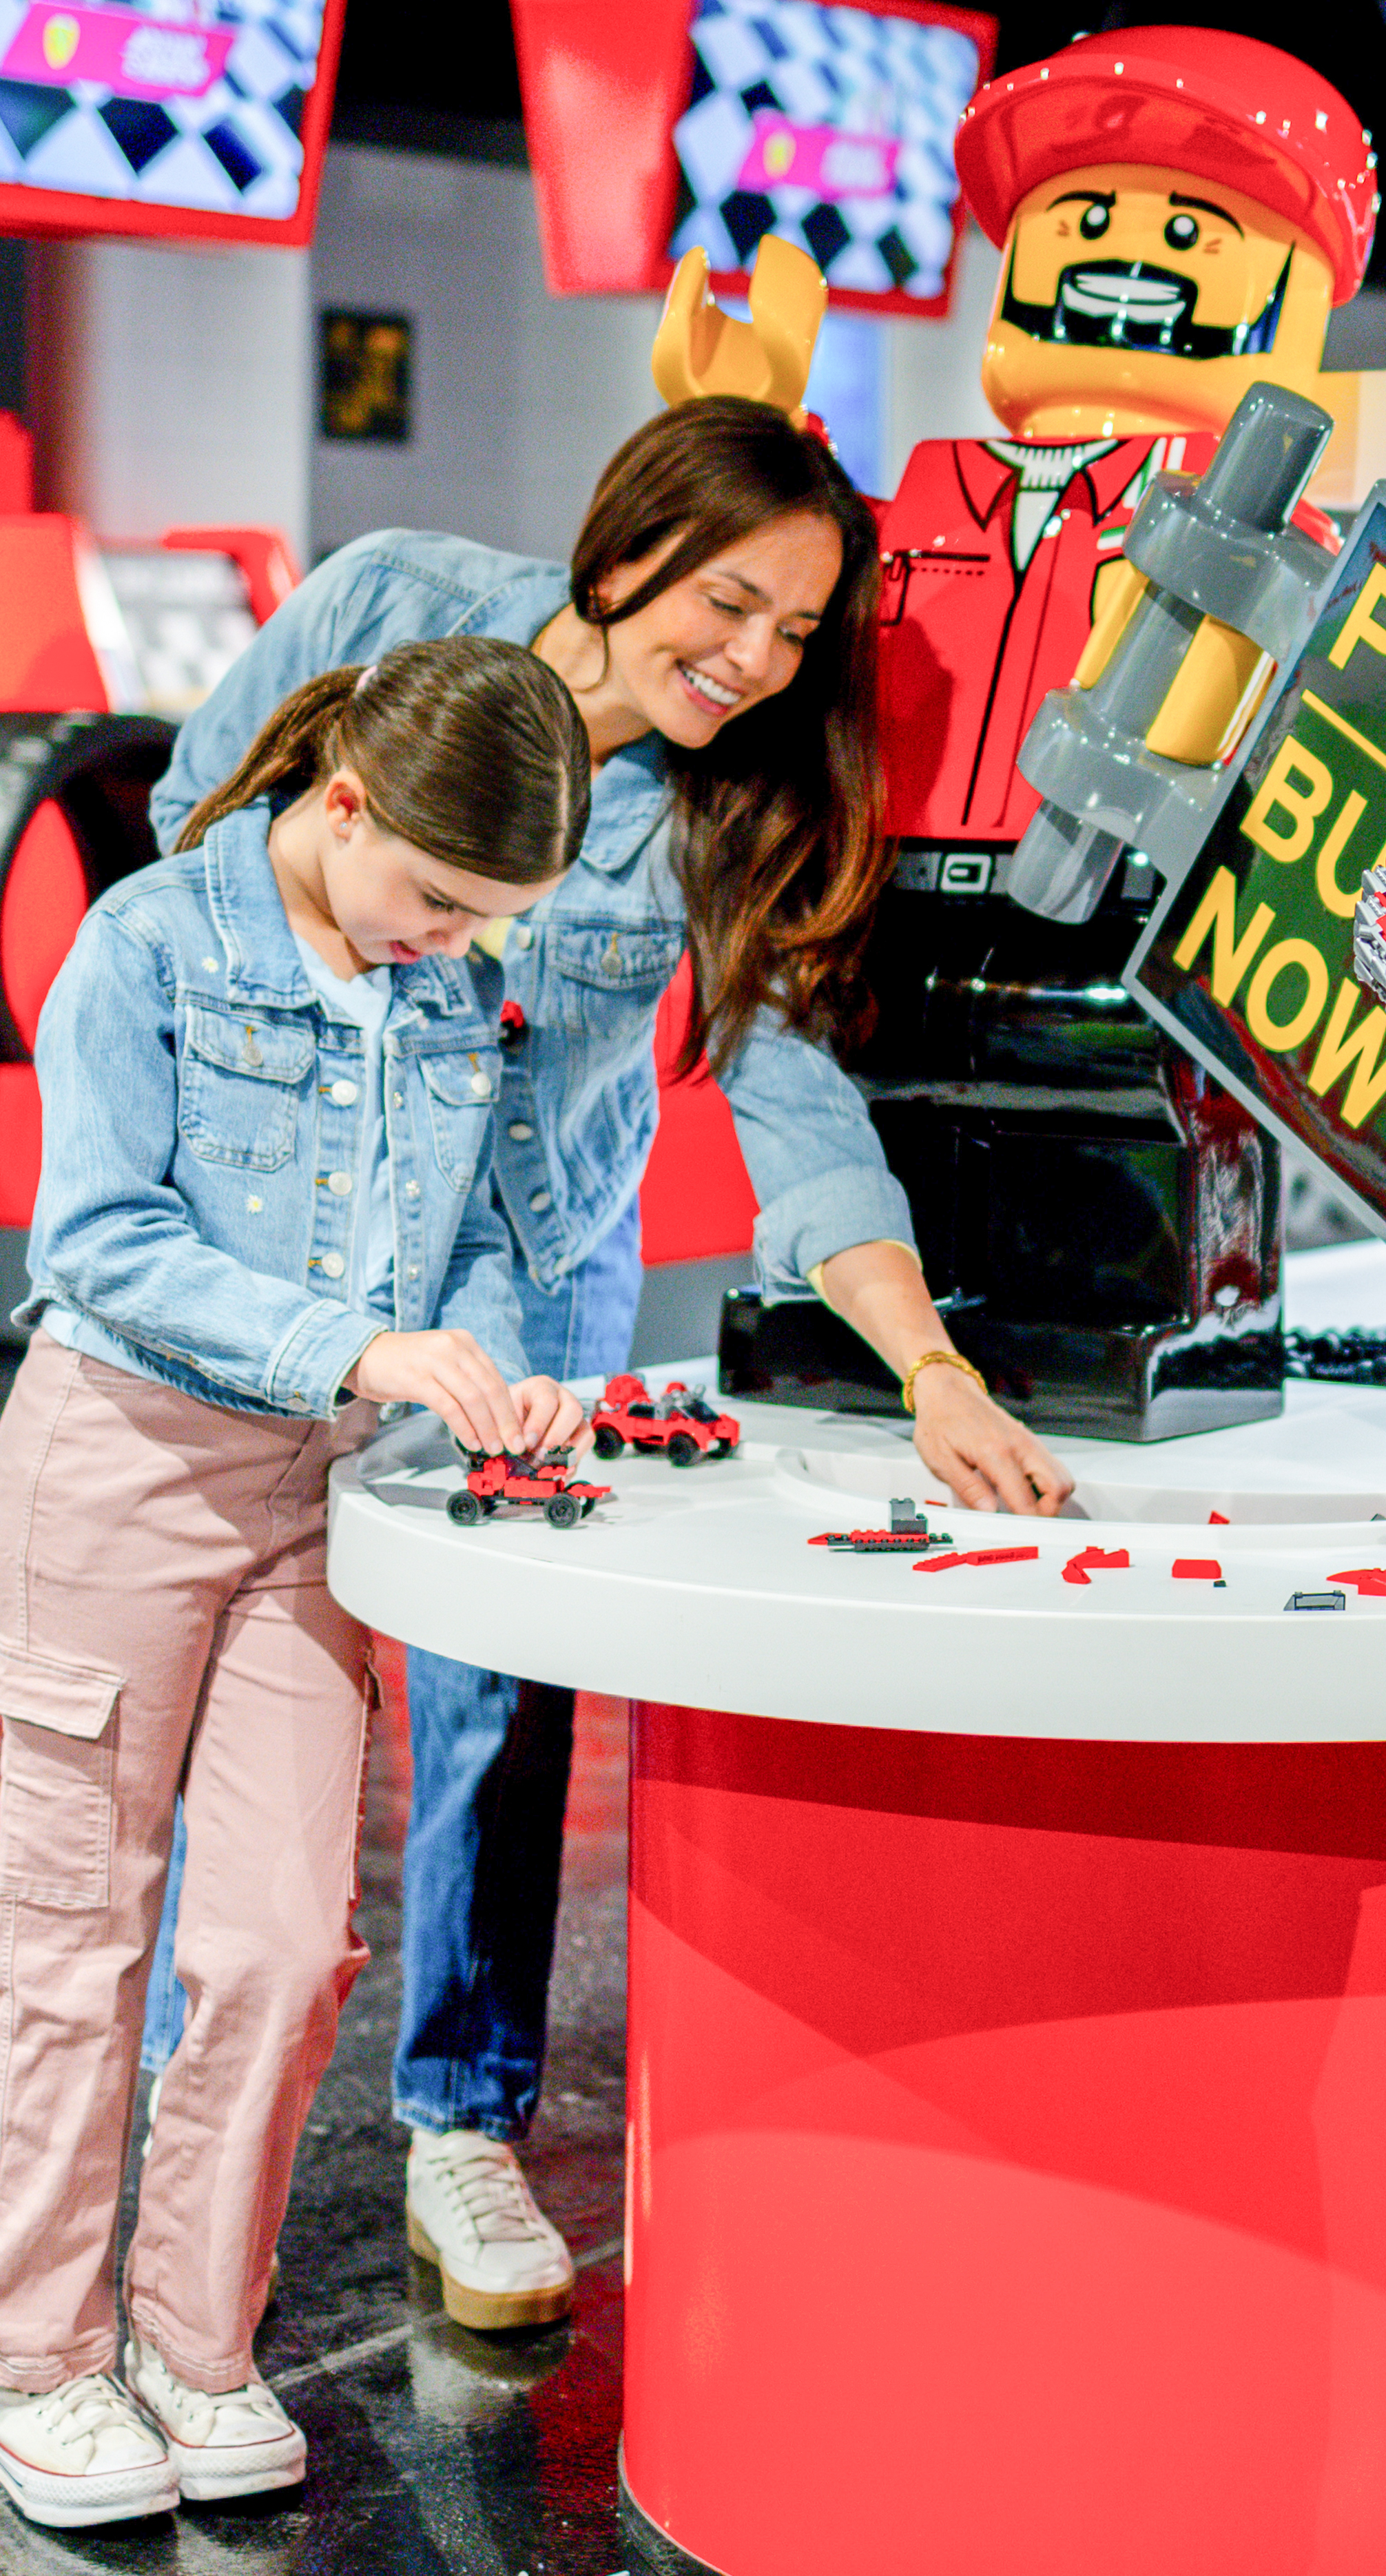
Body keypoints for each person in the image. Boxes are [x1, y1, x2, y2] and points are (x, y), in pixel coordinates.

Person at [141, 397, 1074, 2341]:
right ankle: (177, 2100)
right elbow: (187, 830)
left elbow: (795, 1099)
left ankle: (458, 2117)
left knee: (494, 1717)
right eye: (726, 602)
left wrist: (924, 1365)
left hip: (534, 1290)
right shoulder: (390, 608)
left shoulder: (736, 805)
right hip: (282, 1254)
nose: (749, 661)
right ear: (626, 546)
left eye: (795, 632)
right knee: (232, 1675)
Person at [0, 637, 596, 2529]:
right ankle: (30, 2358)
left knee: (283, 1946)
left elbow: (474, 1237)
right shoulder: (147, 947)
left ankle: (188, 2340)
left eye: (491, 917)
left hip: (323, 1495)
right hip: (120, 1465)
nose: (453, 942)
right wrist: (357, 1345)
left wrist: (485, 1362)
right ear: (344, 804)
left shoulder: (452, 990)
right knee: (76, 1932)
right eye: (441, 897)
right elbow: (100, 1240)